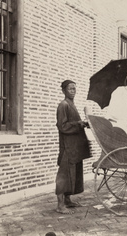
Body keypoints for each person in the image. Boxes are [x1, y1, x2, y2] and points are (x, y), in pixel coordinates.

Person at [55, 80, 90, 214]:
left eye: (74, 88)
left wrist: (84, 123)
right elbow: (62, 126)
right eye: (70, 89)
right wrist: (79, 124)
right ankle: (59, 205)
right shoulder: (63, 105)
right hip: (67, 146)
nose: (73, 91)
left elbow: (74, 123)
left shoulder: (72, 105)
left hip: (75, 146)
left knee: (73, 173)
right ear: (63, 90)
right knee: (64, 174)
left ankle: (67, 200)